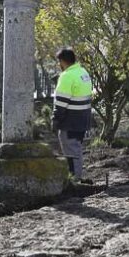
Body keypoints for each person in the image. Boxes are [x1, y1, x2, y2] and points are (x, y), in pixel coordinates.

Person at [52, 48, 93, 179]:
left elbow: (61, 102)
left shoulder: (66, 76)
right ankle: (77, 176)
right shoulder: (83, 72)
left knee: (71, 152)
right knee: (76, 149)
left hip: (70, 122)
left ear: (62, 61)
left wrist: (55, 119)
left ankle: (75, 179)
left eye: (59, 62)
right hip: (83, 119)